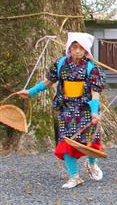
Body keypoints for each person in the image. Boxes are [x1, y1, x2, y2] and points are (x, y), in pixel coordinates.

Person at [18, 32, 105, 189]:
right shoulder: (61, 64)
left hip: (85, 109)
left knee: (91, 141)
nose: (77, 51)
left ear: (86, 51)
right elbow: (48, 82)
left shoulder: (92, 68)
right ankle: (74, 177)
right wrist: (30, 92)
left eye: (81, 48)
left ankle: (92, 164)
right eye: (74, 47)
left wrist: (94, 112)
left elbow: (95, 93)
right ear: (69, 48)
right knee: (66, 142)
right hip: (66, 109)